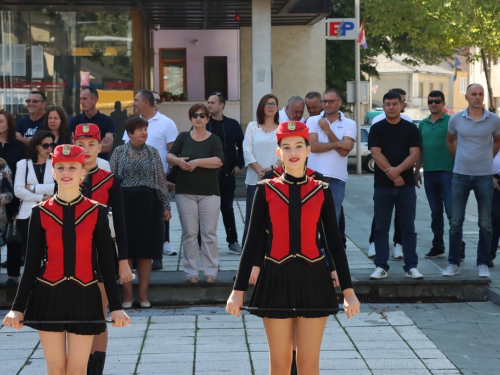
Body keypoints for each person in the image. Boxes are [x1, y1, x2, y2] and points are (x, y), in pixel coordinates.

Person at [226, 120, 360, 375]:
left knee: (309, 366)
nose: (293, 152)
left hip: (314, 278)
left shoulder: (321, 190)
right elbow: (252, 241)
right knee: (280, 365)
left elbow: (334, 244)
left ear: (309, 150)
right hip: (275, 277)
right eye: (286, 147)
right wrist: (238, 289)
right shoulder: (265, 190)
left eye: (299, 146)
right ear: (279, 153)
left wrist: (348, 290)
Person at [2, 145, 130, 375]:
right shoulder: (40, 212)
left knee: (78, 367)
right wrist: (17, 309)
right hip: (48, 294)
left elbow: (105, 264)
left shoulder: (97, 212)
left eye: (73, 166)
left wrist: (117, 307)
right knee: (57, 367)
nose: (66, 171)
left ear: (84, 172)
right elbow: (30, 265)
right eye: (60, 167)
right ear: (53, 172)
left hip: (86, 295)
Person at [72, 124, 134, 375]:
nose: (86, 149)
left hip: (102, 255)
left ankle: (94, 370)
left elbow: (120, 223)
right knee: (74, 316)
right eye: (80, 144)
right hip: (71, 255)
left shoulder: (111, 180)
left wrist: (123, 261)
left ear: (101, 147)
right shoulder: (65, 176)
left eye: (91, 144)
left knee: (98, 316)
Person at [111, 117, 171, 305]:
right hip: (124, 205)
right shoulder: (119, 152)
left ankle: (143, 295)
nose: (144, 132)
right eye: (139, 129)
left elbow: (161, 180)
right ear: (129, 133)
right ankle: (128, 296)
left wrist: (166, 205)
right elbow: (111, 180)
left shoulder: (153, 152)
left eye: (145, 129)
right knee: (126, 250)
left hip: (149, 205)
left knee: (146, 252)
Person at [443, 83, 500, 278]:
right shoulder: (456, 119)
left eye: (481, 94)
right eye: (474, 94)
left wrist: (487, 160)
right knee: (456, 221)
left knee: (485, 222)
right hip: (460, 175)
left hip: (484, 176)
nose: (477, 97)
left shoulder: (494, 120)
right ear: (466, 97)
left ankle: (483, 263)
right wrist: (458, 157)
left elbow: (498, 141)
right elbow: (450, 140)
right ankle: (453, 263)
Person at [368, 91, 422, 280]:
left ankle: (411, 266)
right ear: (383, 106)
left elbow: (414, 154)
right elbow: (376, 154)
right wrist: (393, 175)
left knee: (408, 227)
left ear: (402, 105)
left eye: (394, 103)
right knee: (381, 227)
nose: (391, 107)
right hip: (382, 186)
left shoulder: (410, 128)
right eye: (387, 104)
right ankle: (381, 266)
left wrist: (397, 172)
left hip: (406, 186)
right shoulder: (377, 128)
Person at [167, 104, 224, 284]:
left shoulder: (214, 139)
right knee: (190, 233)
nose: (198, 118)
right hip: (185, 192)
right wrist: (177, 160)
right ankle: (191, 272)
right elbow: (170, 156)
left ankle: (210, 272)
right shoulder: (183, 137)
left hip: (209, 193)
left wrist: (197, 162)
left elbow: (219, 161)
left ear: (207, 118)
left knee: (209, 233)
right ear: (190, 118)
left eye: (202, 115)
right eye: (194, 115)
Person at [123, 90, 179, 270]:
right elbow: (126, 148)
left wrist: (170, 178)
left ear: (146, 102)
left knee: (158, 221)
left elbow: (174, 152)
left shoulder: (166, 123)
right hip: (131, 185)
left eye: (136, 100)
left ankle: (157, 255)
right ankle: (138, 255)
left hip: (157, 182)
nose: (133, 103)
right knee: (137, 223)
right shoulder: (133, 123)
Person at [414, 91, 464, 260]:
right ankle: (438, 246)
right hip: (429, 173)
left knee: (451, 213)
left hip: (448, 172)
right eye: (430, 101)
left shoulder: (451, 121)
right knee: (435, 212)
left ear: (443, 103)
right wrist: (416, 171)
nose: (433, 104)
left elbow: (459, 145)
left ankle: (459, 246)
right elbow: (420, 149)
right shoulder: (423, 124)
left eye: (437, 101)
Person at [307, 88, 356, 225]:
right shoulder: (312, 120)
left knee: (332, 223)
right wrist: (340, 143)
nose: (327, 105)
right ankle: (314, 247)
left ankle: (328, 247)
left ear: (339, 102)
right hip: (313, 179)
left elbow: (344, 152)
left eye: (331, 101)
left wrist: (327, 131)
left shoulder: (350, 124)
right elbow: (314, 147)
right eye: (324, 101)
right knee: (312, 220)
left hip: (336, 180)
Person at [12, 131, 55, 284]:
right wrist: (41, 197)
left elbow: (57, 187)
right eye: (45, 145)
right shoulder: (23, 164)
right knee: (31, 255)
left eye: (51, 144)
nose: (49, 148)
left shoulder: (56, 163)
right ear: (36, 146)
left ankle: (48, 286)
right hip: (27, 216)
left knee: (51, 254)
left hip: (52, 214)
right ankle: (30, 286)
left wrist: (33, 188)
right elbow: (18, 190)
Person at [207, 92, 245, 255]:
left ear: (221, 106)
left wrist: (239, 165)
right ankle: (203, 243)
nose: (209, 105)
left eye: (212, 103)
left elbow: (244, 147)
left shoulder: (232, 124)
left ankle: (233, 242)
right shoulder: (203, 123)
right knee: (206, 210)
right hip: (207, 176)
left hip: (227, 174)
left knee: (227, 208)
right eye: (208, 102)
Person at [242, 94, 281, 245]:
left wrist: (272, 169)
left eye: (274, 103)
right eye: (267, 104)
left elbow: (285, 152)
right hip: (255, 180)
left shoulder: (282, 128)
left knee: (274, 220)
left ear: (277, 107)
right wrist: (259, 170)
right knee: (253, 219)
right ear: (261, 107)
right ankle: (249, 254)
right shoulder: (253, 126)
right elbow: (247, 150)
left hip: (276, 180)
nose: (271, 106)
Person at [0, 110, 27, 285]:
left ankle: (12, 275)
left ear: (9, 123)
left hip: (13, 197)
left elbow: (22, 171)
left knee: (13, 236)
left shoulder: (19, 146)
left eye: (1, 121)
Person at [69, 87, 115, 160]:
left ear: (94, 100)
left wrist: (81, 147)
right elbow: (72, 147)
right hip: (81, 167)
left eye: (84, 99)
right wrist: (99, 145)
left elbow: (107, 146)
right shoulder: (74, 121)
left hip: (101, 166)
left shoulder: (107, 120)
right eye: (80, 99)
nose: (81, 102)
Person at [490, 150, 500, 267]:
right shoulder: (491, 134)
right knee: (495, 218)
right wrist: (490, 176)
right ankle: (489, 255)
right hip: (495, 179)